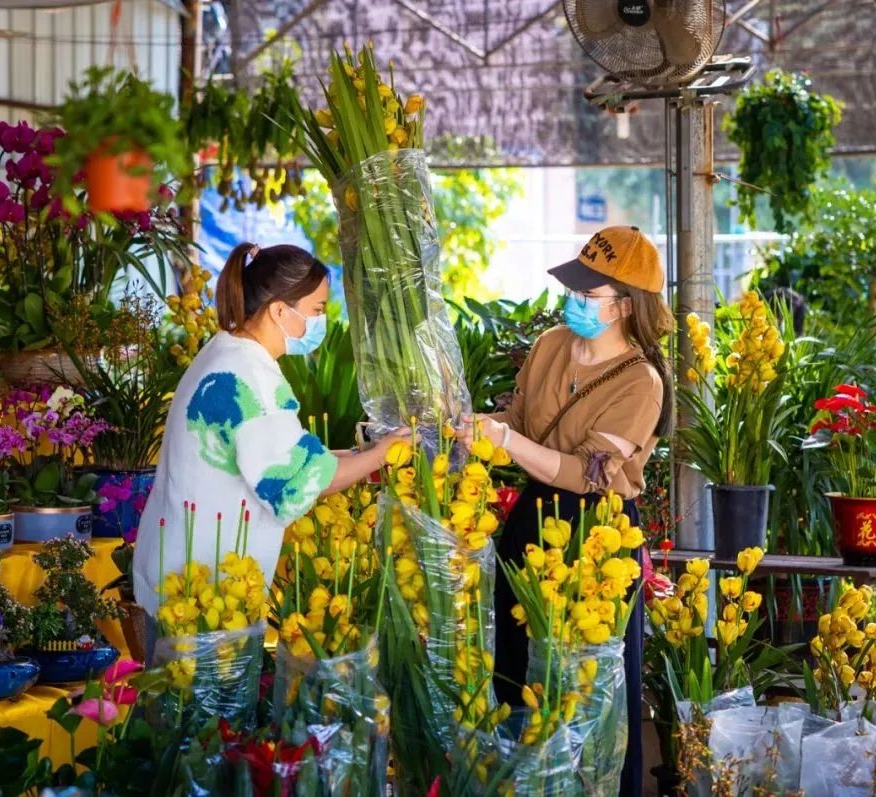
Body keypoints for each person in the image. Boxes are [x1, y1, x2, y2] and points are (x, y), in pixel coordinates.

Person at [457, 226, 675, 797]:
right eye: (573, 289)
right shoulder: (551, 344)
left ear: (625, 306)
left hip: (597, 537)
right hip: (533, 522)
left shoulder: (642, 382)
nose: (574, 302)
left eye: (588, 294)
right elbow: (519, 423)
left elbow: (588, 474)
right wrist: (469, 429)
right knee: (516, 666)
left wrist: (507, 442)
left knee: (589, 686)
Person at [133, 242, 406, 630]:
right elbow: (299, 482)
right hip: (201, 602)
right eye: (317, 310)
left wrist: (360, 453)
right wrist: (385, 454)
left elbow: (288, 457)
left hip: (179, 578)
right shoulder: (251, 378)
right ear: (279, 310)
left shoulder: (227, 350)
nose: (320, 322)